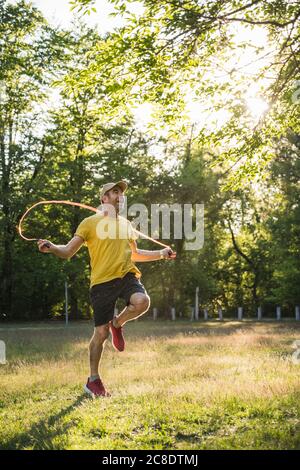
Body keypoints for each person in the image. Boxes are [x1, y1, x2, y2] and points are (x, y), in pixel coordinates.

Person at [37, 180, 176, 397]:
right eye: (114, 192)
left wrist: (160, 253)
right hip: (102, 282)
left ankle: (118, 323)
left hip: (126, 275)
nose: (119, 195)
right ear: (104, 199)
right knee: (100, 333)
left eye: (121, 193)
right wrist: (53, 248)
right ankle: (93, 380)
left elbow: (135, 254)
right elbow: (67, 251)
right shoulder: (89, 223)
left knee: (142, 301)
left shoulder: (126, 225)